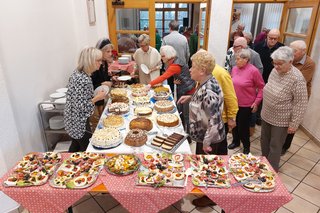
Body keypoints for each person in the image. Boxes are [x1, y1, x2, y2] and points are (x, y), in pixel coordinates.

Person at [177, 50, 224, 207]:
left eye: (193, 67)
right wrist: (191, 98)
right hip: (204, 135)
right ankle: (205, 188)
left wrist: (206, 143)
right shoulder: (205, 83)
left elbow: (215, 120)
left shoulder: (209, 90)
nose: (189, 70)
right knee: (204, 165)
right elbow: (203, 101)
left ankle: (210, 196)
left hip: (208, 138)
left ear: (202, 71)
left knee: (208, 167)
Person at [261, 46, 308, 172]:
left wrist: (294, 124)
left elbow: (301, 103)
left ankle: (271, 171)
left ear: (290, 62)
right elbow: (269, 86)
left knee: (275, 146)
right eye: (274, 63)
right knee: (264, 142)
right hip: (267, 114)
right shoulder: (275, 71)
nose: (276, 66)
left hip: (281, 119)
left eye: (280, 64)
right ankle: (263, 165)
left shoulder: (297, 79)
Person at [64, 47, 107, 152]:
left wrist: (93, 95)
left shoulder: (78, 73)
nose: (100, 63)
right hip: (79, 123)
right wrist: (97, 98)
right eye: (98, 60)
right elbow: (82, 107)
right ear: (90, 61)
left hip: (71, 120)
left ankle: (67, 165)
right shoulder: (84, 79)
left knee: (75, 147)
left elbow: (78, 98)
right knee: (86, 151)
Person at [146, 45, 195, 133]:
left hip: (188, 90)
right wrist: (177, 79)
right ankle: (183, 130)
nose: (161, 58)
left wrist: (150, 84)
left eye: (163, 56)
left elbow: (163, 77)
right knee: (181, 111)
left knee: (185, 114)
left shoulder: (174, 65)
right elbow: (182, 73)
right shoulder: (175, 59)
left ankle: (187, 135)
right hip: (185, 87)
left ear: (168, 55)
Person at [282, 40, 316, 155]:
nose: (291, 52)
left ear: (303, 52)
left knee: (293, 121)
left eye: (294, 51)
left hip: (298, 98)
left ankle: (285, 146)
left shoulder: (310, 63)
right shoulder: (289, 58)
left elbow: (301, 81)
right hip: (286, 94)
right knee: (283, 120)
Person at [228, 49, 265, 154]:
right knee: (233, 125)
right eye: (236, 59)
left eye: (238, 59)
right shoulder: (234, 69)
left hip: (246, 105)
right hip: (234, 103)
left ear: (246, 59)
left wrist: (257, 102)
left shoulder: (253, 71)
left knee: (243, 128)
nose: (236, 61)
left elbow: (262, 87)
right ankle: (235, 141)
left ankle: (246, 146)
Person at [254, 28, 284, 126]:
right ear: (267, 36)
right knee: (257, 98)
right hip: (259, 77)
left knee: (268, 99)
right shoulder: (258, 46)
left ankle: (263, 117)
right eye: (271, 38)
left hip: (273, 79)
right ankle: (255, 118)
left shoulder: (281, 48)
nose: (272, 40)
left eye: (275, 39)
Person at [212, 64, 239, 155]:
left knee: (220, 148)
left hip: (220, 119)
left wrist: (231, 117)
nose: (191, 69)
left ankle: (222, 165)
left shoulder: (221, 73)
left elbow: (230, 97)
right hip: (211, 119)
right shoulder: (206, 73)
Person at [91, 38, 113, 117]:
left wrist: (110, 79)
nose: (110, 54)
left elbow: (105, 78)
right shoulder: (95, 65)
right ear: (100, 51)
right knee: (97, 120)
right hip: (94, 101)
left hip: (102, 97)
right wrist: (102, 83)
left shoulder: (105, 62)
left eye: (111, 51)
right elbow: (90, 85)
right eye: (108, 51)